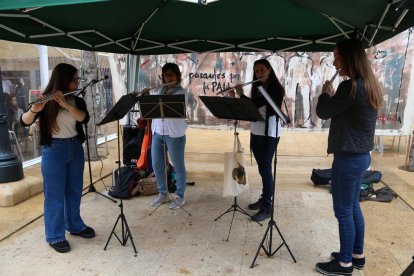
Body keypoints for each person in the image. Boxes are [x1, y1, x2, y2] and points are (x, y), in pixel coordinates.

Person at [315, 39, 383, 275]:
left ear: (350, 58)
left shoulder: (350, 87)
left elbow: (323, 111)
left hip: (348, 158)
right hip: (360, 156)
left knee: (343, 211)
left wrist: (325, 93)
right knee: (352, 207)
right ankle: (357, 255)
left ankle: (344, 264)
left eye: (337, 57)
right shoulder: (368, 84)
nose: (334, 62)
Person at [20, 63, 95, 253]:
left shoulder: (75, 101)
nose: (77, 83)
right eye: (74, 80)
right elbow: (24, 121)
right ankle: (54, 235)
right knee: (54, 195)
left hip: (75, 148)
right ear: (63, 80)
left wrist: (66, 105)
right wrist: (36, 109)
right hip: (54, 151)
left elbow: (83, 119)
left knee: (74, 190)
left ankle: (75, 225)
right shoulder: (44, 100)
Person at [231, 59, 285, 222]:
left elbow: (256, 104)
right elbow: (252, 108)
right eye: (256, 71)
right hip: (257, 130)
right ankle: (265, 197)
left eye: (262, 70)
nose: (259, 74)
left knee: (266, 168)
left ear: (269, 70)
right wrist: (238, 98)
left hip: (270, 132)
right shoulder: (257, 87)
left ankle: (268, 206)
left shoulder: (276, 89)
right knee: (262, 167)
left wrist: (241, 95)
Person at [143, 63, 188, 210]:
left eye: (171, 74)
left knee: (179, 165)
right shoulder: (159, 91)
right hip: (158, 132)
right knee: (157, 164)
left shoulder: (181, 92)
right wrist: (146, 97)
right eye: (165, 74)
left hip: (174, 133)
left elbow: (176, 111)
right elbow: (151, 110)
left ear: (177, 76)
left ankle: (180, 196)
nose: (168, 77)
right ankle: (163, 193)